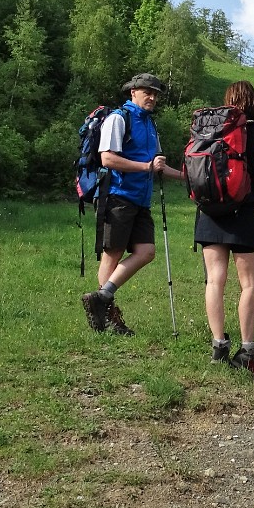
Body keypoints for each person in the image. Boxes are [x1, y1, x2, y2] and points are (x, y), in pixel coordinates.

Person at [81, 73, 182, 336]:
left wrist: (185, 177)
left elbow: (157, 165)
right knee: (111, 255)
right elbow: (108, 160)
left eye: (156, 93)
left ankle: (101, 299)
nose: (152, 97)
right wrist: (146, 167)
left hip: (140, 199)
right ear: (133, 92)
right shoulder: (118, 118)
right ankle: (111, 320)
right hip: (117, 196)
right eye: (147, 91)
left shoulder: (150, 125)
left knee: (147, 252)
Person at [197, 80, 254, 382]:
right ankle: (247, 350)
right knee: (249, 285)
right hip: (243, 214)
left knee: (215, 280)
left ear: (228, 101)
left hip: (209, 214)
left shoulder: (208, 129)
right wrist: (253, 194)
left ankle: (219, 346)